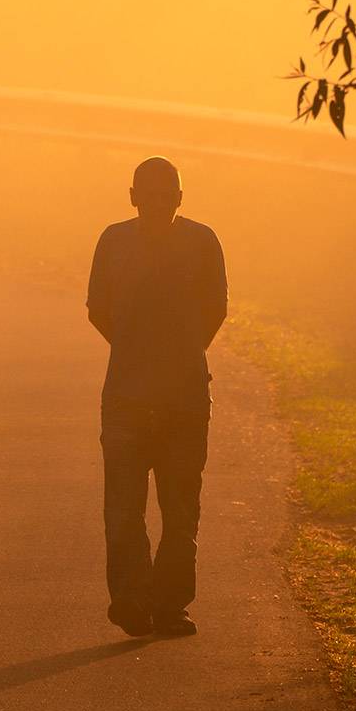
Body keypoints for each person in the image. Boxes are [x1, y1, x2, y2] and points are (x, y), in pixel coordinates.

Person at [86, 156, 227, 639]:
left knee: (180, 509)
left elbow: (217, 308)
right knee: (123, 509)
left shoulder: (203, 242)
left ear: (181, 200)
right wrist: (143, 353)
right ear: (132, 197)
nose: (157, 206)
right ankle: (132, 601)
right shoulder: (113, 241)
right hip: (129, 396)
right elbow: (97, 309)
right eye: (149, 197)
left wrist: (175, 355)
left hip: (182, 398)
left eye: (166, 198)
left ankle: (168, 606)